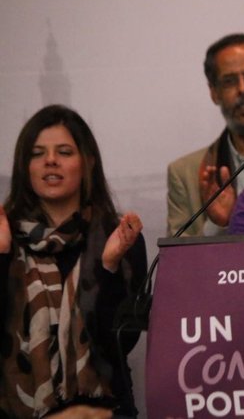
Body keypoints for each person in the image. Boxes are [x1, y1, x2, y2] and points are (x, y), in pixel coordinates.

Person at [0, 105, 147, 418]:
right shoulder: (4, 235)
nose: (50, 160)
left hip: (105, 412)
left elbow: (122, 343)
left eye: (64, 151)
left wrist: (108, 267)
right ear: (24, 166)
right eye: (37, 153)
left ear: (88, 162)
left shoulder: (117, 235)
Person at [166, 33, 244, 237]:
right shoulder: (184, 174)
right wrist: (218, 225)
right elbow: (177, 260)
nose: (243, 89)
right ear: (214, 92)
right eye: (229, 81)